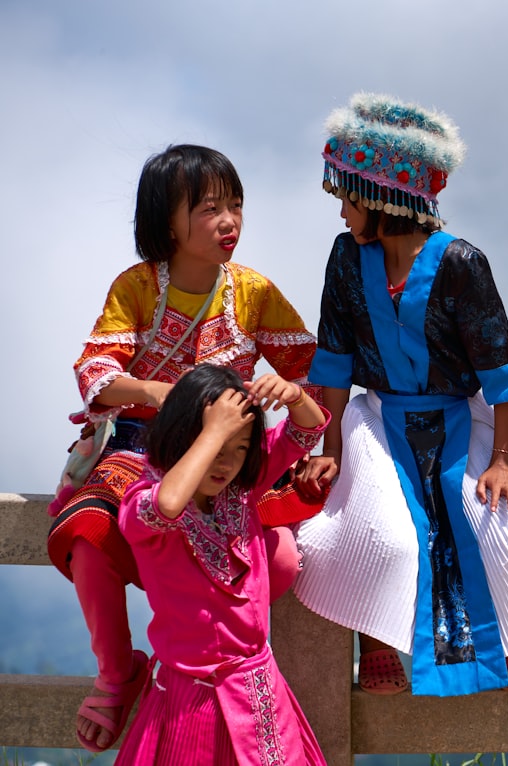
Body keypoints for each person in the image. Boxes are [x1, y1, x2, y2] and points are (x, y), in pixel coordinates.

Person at [48, 144, 320, 753]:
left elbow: (310, 367)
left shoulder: (254, 291)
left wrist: (300, 418)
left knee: (279, 562)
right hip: (143, 450)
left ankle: (226, 660)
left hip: (232, 457)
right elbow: (94, 372)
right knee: (90, 531)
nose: (229, 221)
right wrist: (160, 393)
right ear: (164, 219)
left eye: (236, 205)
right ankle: (120, 673)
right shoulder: (137, 286)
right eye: (208, 208)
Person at [293, 93, 508, 697]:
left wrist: (499, 462)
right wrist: (329, 444)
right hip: (379, 420)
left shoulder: (463, 263)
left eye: (347, 198)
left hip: (464, 420)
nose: (341, 214)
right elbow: (333, 360)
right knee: (374, 530)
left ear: (381, 197)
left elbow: (501, 372)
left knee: (505, 526)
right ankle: (378, 640)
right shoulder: (345, 259)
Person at [114, 365, 329, 764]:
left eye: (240, 449)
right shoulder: (140, 503)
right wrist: (215, 431)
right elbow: (167, 505)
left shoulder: (240, 491)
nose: (225, 462)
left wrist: (294, 397)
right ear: (180, 436)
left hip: (260, 690)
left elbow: (307, 430)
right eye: (215, 445)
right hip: (190, 700)